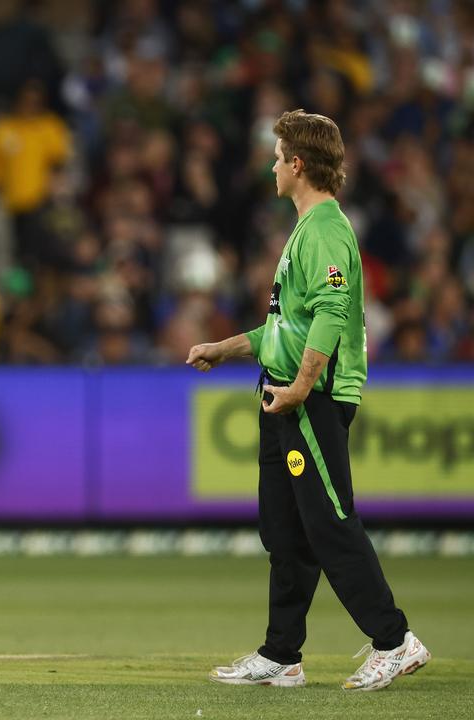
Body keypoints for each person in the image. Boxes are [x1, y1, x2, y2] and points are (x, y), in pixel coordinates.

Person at [188, 110, 429, 691]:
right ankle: (282, 654)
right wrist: (225, 348)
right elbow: (285, 329)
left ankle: (395, 641)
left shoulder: (324, 228)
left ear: (298, 164)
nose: (272, 166)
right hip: (285, 393)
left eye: (277, 157)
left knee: (329, 523)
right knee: (285, 530)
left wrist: (299, 387)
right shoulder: (307, 228)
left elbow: (330, 312)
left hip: (310, 399)